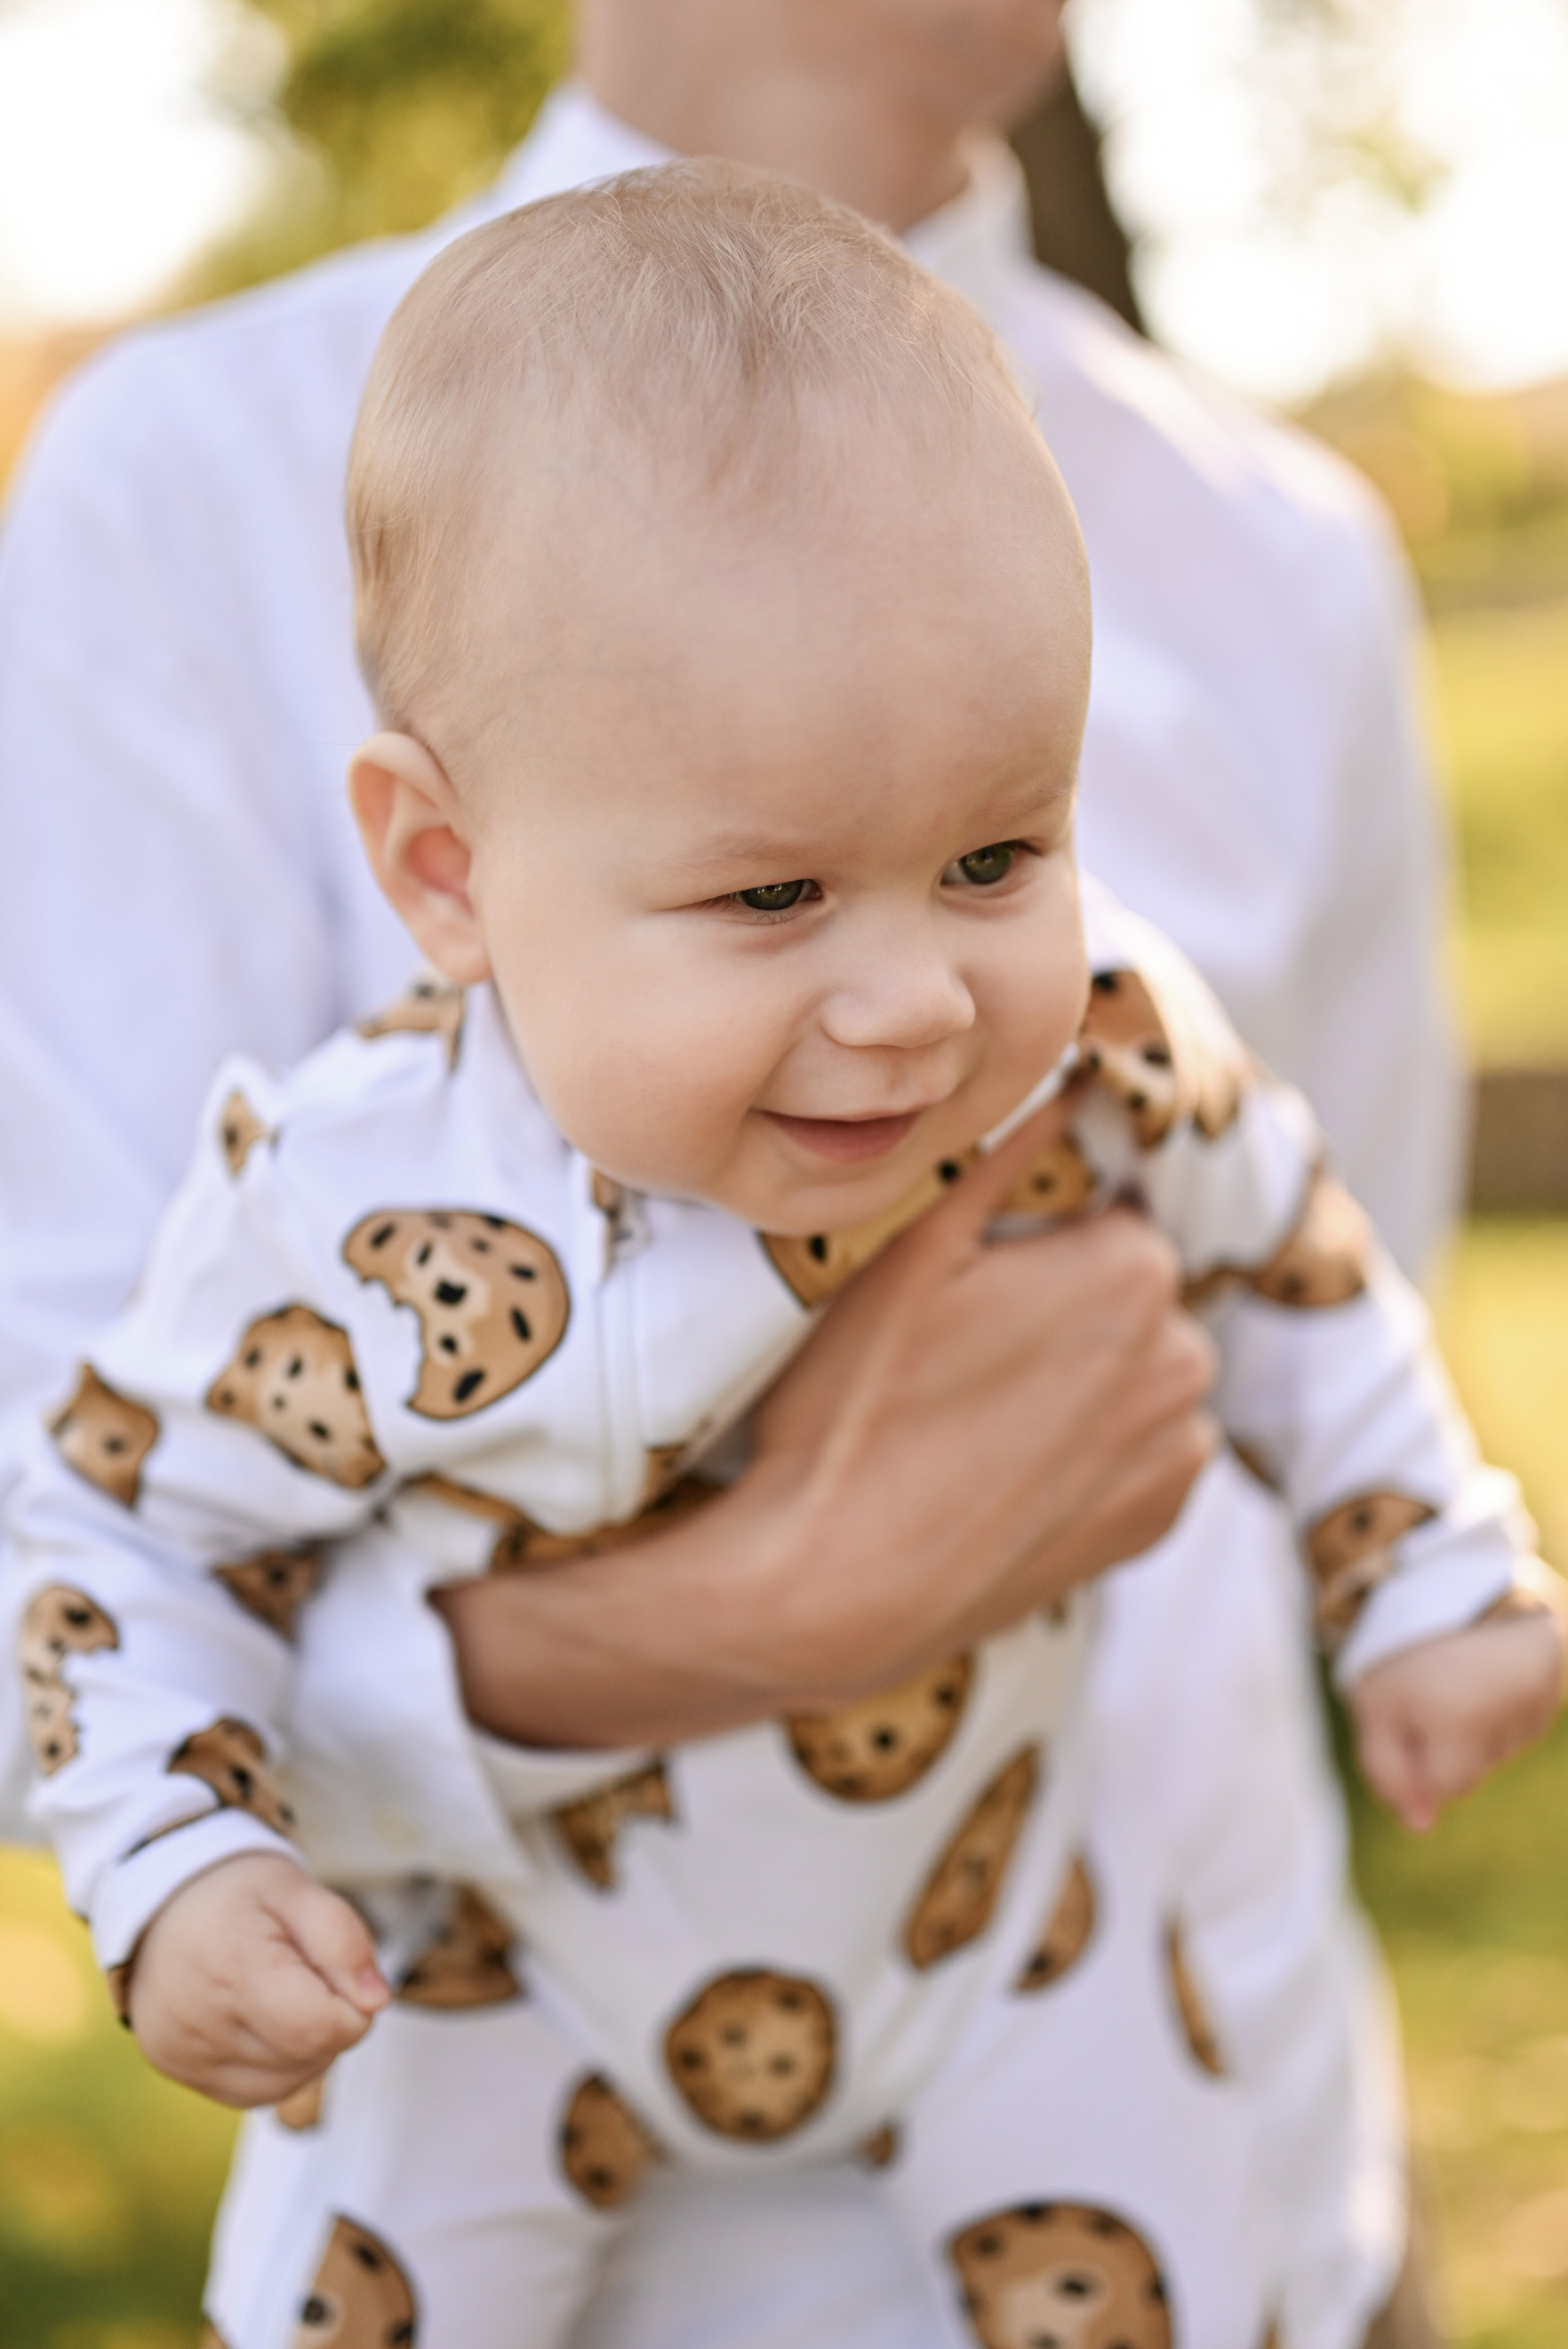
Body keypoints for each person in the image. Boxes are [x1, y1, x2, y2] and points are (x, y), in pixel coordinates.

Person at [0, 5, 1464, 2343]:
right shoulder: (183, 487)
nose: (900, 1003)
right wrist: (753, 1609)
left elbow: (1312, 1290)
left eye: (1003, 855)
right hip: (522, 2180)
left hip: (1222, 2193)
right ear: (441, 866)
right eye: (771, 895)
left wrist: (1425, 1572)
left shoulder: (1283, 550)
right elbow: (71, 1529)